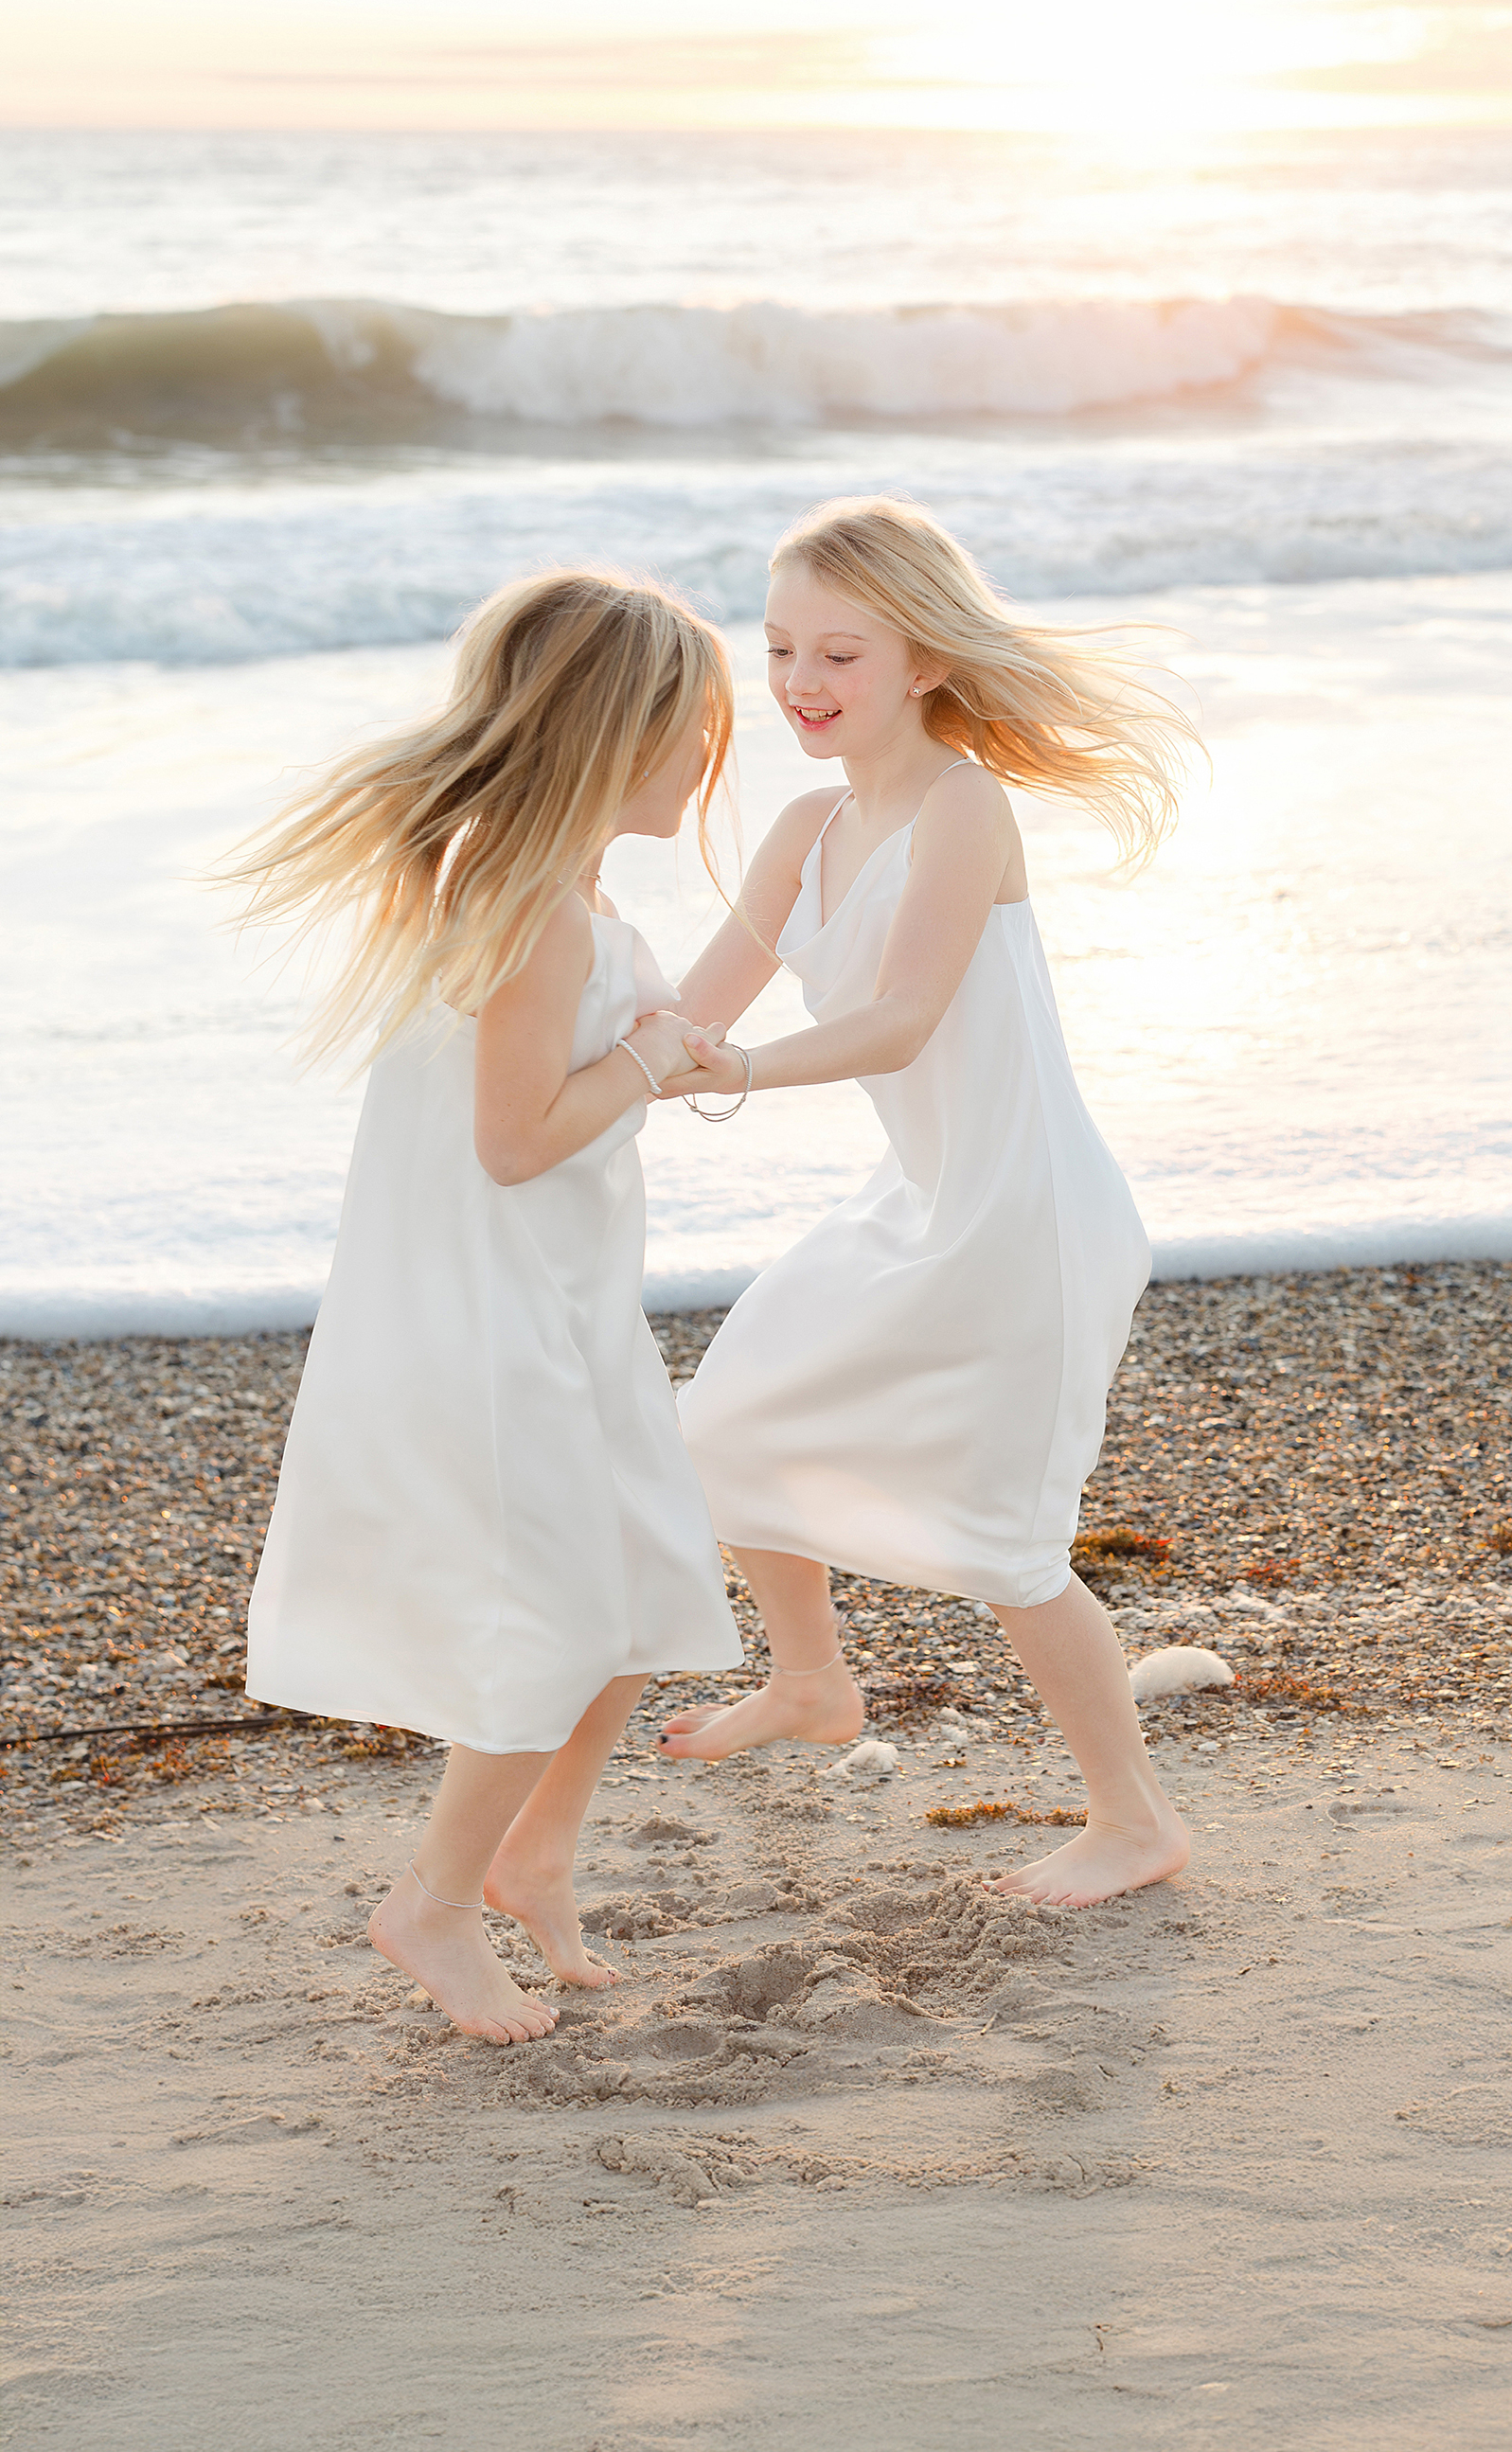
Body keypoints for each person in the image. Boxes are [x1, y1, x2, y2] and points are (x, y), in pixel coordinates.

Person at [657, 496, 1200, 1907]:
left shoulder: (966, 806)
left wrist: (732, 1070)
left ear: (926, 665)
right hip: (919, 1202)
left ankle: (1134, 1823)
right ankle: (813, 1680)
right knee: (720, 1427)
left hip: (1025, 1220)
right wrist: (566, 1053)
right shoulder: (803, 828)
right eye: (779, 650)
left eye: (840, 654)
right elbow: (690, 1008)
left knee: (1012, 1547)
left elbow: (899, 1020)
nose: (799, 685)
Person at [227, 570, 745, 2042]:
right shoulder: (534, 907)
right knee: (556, 1613)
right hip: (494, 1322)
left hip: (565, 1306)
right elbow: (512, 1140)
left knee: (641, 1585)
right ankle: (432, 1907)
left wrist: (655, 1047)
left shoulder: (561, 885)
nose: (708, 762)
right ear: (613, 732)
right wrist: (652, 1057)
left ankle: (534, 1852)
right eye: (692, 732)